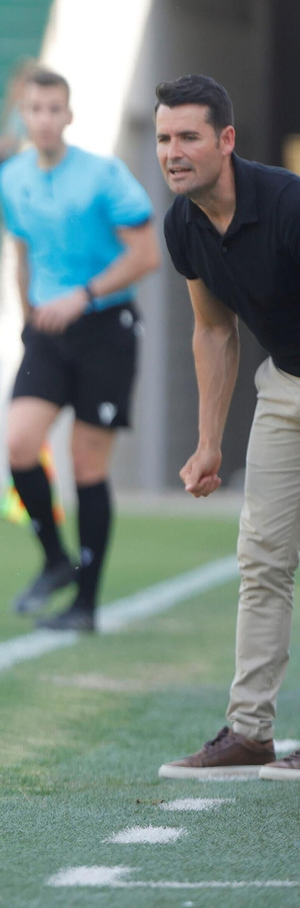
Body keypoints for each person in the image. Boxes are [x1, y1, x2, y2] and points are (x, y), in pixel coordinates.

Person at [153, 75, 300, 781]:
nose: (172, 152)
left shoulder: (290, 205)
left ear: (227, 141)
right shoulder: (183, 225)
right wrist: (209, 442)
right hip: (287, 388)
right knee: (262, 557)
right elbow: (213, 330)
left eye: (188, 137)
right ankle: (249, 733)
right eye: (163, 138)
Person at [0, 68, 159, 632]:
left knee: (87, 463)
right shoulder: (12, 177)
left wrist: (83, 296)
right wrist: (28, 318)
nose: (44, 119)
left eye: (53, 109)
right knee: (19, 443)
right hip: (47, 330)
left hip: (105, 328)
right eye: (34, 109)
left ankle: (85, 604)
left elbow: (145, 255)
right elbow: (22, 254)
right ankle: (54, 561)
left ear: (68, 116)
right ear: (22, 115)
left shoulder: (103, 175)